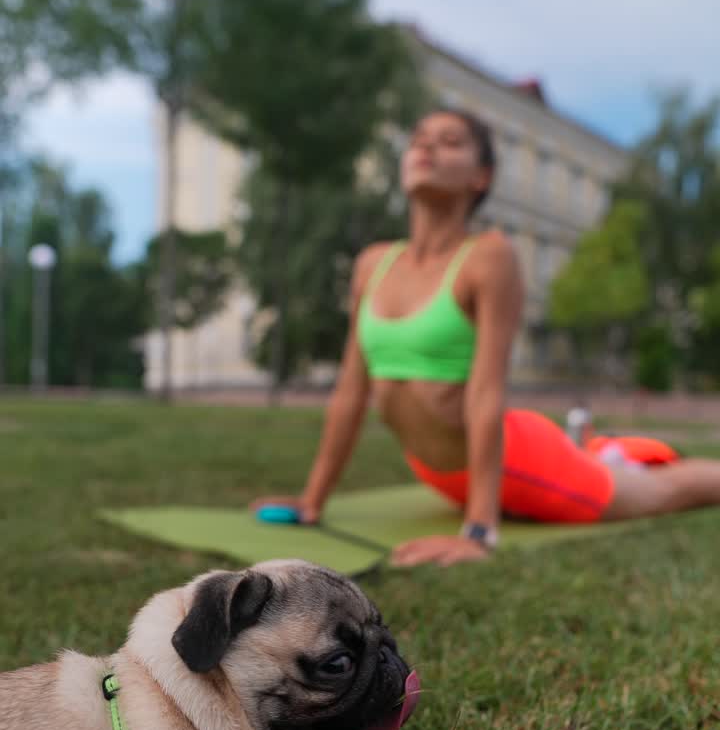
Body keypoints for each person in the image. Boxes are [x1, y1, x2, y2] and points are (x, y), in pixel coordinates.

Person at [254, 109, 720, 567]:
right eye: (418, 138)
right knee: (616, 466)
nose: (426, 146)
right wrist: (312, 500)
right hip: (438, 471)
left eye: (450, 141)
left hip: (521, 459)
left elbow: (485, 391)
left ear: (482, 176)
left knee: (666, 490)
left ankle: (614, 458)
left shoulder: (489, 257)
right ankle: (607, 450)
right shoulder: (373, 263)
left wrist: (479, 530)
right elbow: (350, 392)